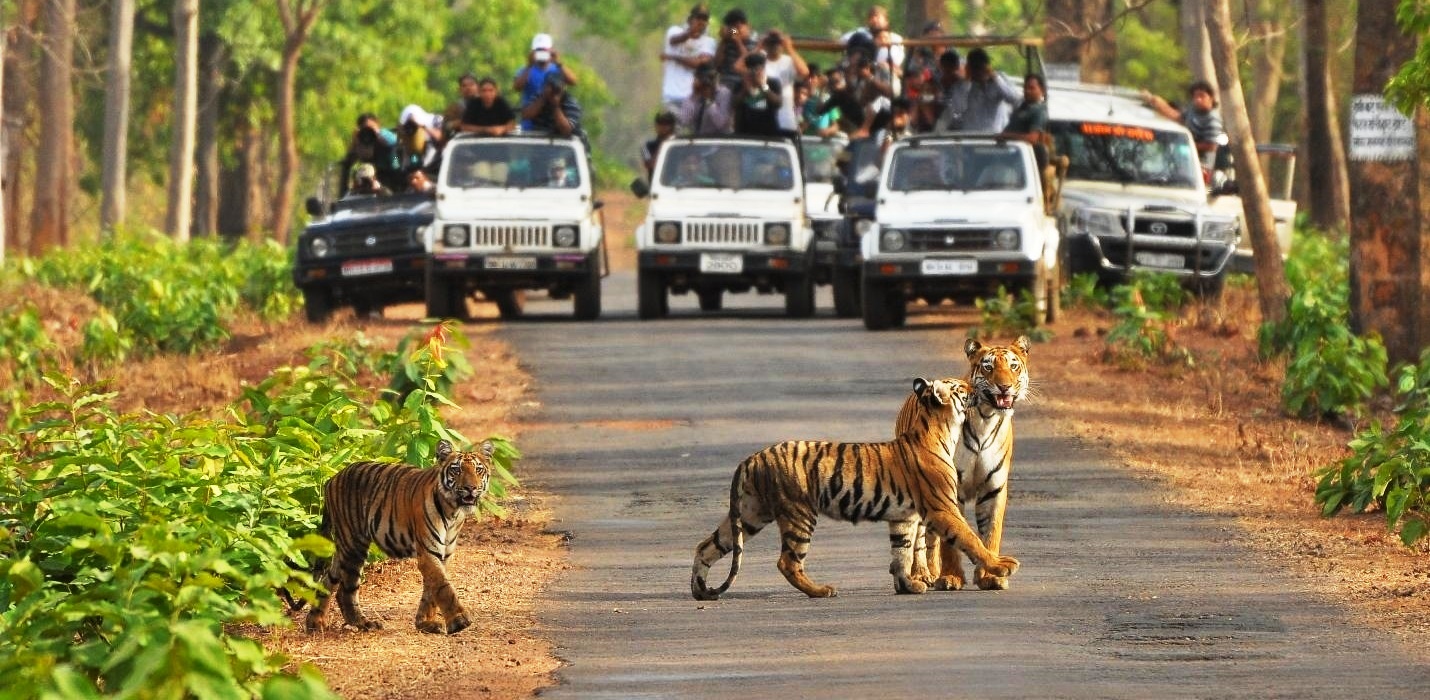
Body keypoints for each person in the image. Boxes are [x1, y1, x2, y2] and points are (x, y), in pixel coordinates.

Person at [1141, 80, 1227, 169]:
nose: (1198, 99)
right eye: (1195, 96)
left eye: (1202, 96)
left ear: (1211, 98)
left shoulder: (1213, 118)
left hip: (1200, 165)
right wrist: (1156, 102)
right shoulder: (1193, 110)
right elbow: (1177, 117)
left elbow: (1211, 146)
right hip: (1182, 159)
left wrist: (1185, 144)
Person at [936, 48, 1019, 133]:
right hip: (971, 136)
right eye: (974, 68)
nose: (978, 72)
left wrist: (995, 78)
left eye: (980, 68)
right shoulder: (963, 86)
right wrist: (967, 81)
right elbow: (957, 108)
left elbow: (1015, 100)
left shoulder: (1000, 80)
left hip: (995, 136)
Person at [515, 33, 578, 131]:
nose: (542, 54)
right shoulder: (525, 70)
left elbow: (573, 81)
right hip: (530, 121)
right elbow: (517, 87)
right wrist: (529, 65)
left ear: (551, 50)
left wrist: (558, 62)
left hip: (554, 120)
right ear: (533, 52)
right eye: (538, 51)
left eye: (544, 51)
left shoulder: (557, 69)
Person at [661, 4, 717, 115]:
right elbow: (674, 40)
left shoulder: (709, 41)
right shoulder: (674, 31)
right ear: (690, 19)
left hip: (693, 98)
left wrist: (673, 57)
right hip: (671, 96)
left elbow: (697, 64)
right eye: (698, 18)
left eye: (704, 19)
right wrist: (690, 33)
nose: (701, 22)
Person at [841, 5, 904, 96]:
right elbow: (842, 41)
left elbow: (895, 65)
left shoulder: (895, 38)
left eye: (878, 16)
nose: (874, 20)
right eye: (871, 17)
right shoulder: (861, 34)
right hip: (863, 77)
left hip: (886, 77)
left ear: (886, 21)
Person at [755, 29, 809, 134]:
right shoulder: (759, 61)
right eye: (771, 43)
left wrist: (789, 47)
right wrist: (759, 46)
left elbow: (804, 72)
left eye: (778, 43)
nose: (774, 46)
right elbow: (739, 67)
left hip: (785, 117)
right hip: (761, 115)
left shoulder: (788, 61)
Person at [341, 113, 403, 197]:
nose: (369, 134)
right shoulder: (360, 146)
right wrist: (356, 143)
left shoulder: (390, 147)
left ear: (379, 127)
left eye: (371, 129)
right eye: (366, 130)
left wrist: (379, 135)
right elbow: (347, 165)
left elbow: (397, 168)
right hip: (365, 196)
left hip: (390, 191)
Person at [521, 71, 585, 140]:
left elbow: (566, 131)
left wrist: (555, 106)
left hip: (565, 142)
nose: (554, 89)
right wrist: (543, 98)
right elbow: (525, 115)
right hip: (540, 140)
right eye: (550, 85)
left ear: (564, 87)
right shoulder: (538, 98)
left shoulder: (571, 103)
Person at [732, 52, 784, 137]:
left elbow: (778, 103)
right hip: (744, 132)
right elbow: (734, 104)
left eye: (757, 69)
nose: (754, 73)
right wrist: (745, 90)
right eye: (751, 69)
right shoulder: (740, 84)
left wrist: (763, 86)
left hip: (769, 133)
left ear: (763, 68)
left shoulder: (773, 83)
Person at [678, 63, 734, 136]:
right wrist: (694, 96)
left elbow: (721, 123)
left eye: (710, 78)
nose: (707, 81)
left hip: (720, 140)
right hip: (700, 139)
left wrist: (709, 101)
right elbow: (685, 120)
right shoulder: (695, 95)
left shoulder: (724, 93)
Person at [712, 9, 756, 91]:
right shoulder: (725, 44)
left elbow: (750, 62)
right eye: (733, 26)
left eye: (740, 25)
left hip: (744, 86)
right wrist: (723, 40)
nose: (737, 29)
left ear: (748, 27)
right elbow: (716, 64)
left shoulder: (754, 45)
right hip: (725, 85)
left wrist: (738, 42)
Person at [397, 104, 443, 169]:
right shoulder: (407, 138)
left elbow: (440, 138)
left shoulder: (436, 120)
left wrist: (423, 126)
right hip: (420, 163)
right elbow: (397, 158)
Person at [642, 111, 677, 179]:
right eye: (660, 123)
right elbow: (650, 165)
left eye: (667, 124)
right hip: (657, 186)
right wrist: (663, 144)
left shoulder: (679, 146)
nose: (663, 127)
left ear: (672, 126)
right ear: (656, 126)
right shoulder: (647, 146)